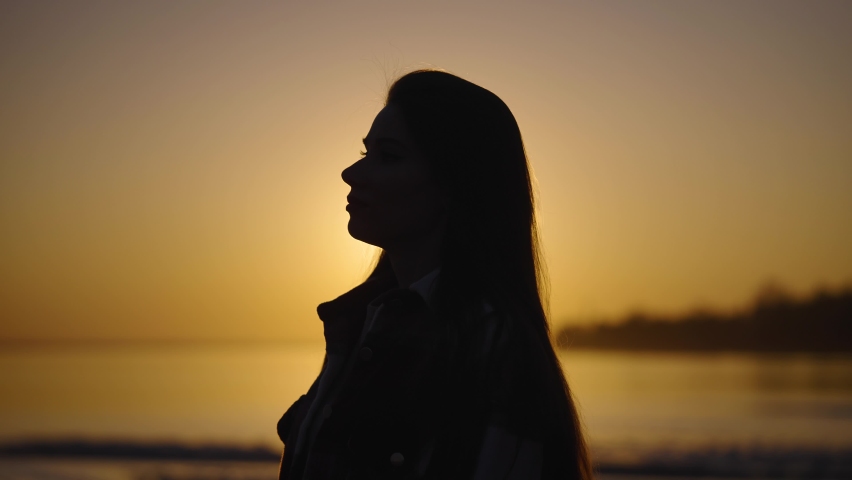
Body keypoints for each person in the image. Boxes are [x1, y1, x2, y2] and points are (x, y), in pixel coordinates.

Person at [277, 69, 593, 480]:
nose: (351, 174)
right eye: (364, 153)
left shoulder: (493, 346)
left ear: (454, 184)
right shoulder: (359, 324)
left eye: (388, 156)